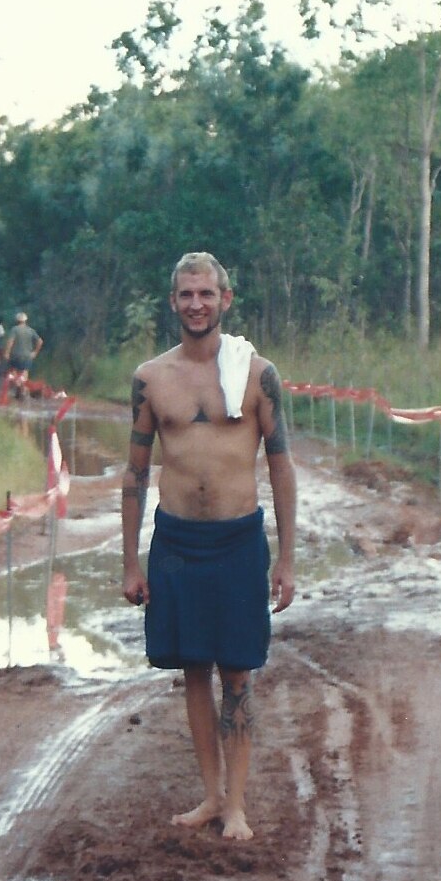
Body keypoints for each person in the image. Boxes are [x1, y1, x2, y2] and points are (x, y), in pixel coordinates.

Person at [121, 252, 296, 842]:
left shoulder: (256, 374)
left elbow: (282, 466)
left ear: (226, 299)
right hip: (176, 542)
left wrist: (289, 558)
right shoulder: (151, 378)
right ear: (173, 302)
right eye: (186, 294)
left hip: (238, 539)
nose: (197, 303)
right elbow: (135, 473)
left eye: (207, 293)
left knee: (238, 672)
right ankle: (211, 795)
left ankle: (238, 805)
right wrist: (130, 562)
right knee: (193, 668)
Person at [4, 312, 43, 398]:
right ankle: (23, 391)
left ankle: (18, 388)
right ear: (26, 320)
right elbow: (40, 341)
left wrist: (7, 353)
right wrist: (35, 352)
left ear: (17, 320)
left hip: (15, 356)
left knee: (14, 373)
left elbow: (10, 342)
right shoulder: (30, 330)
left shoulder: (14, 329)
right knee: (24, 374)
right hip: (27, 356)